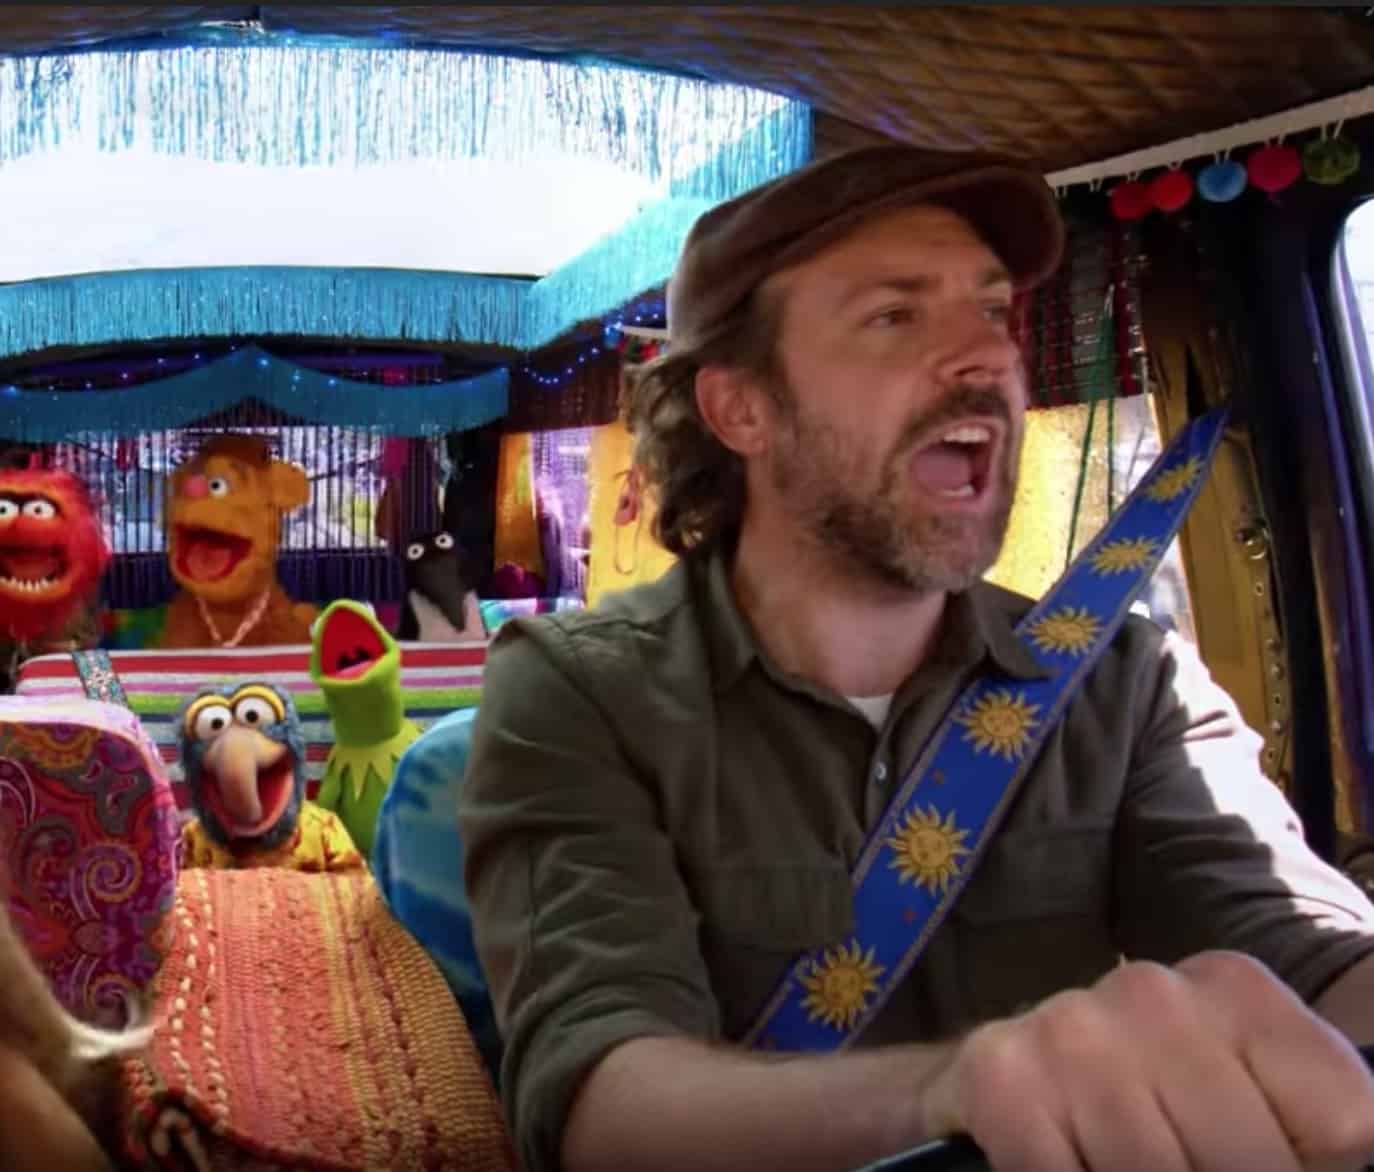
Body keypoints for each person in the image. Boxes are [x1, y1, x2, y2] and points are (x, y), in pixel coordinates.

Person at [460, 144, 1374, 1172]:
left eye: (991, 310)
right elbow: (602, 1104)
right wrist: (956, 1092)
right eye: (894, 316)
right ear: (741, 408)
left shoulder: (1123, 680)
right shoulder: (579, 689)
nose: (985, 357)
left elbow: (1309, 948)